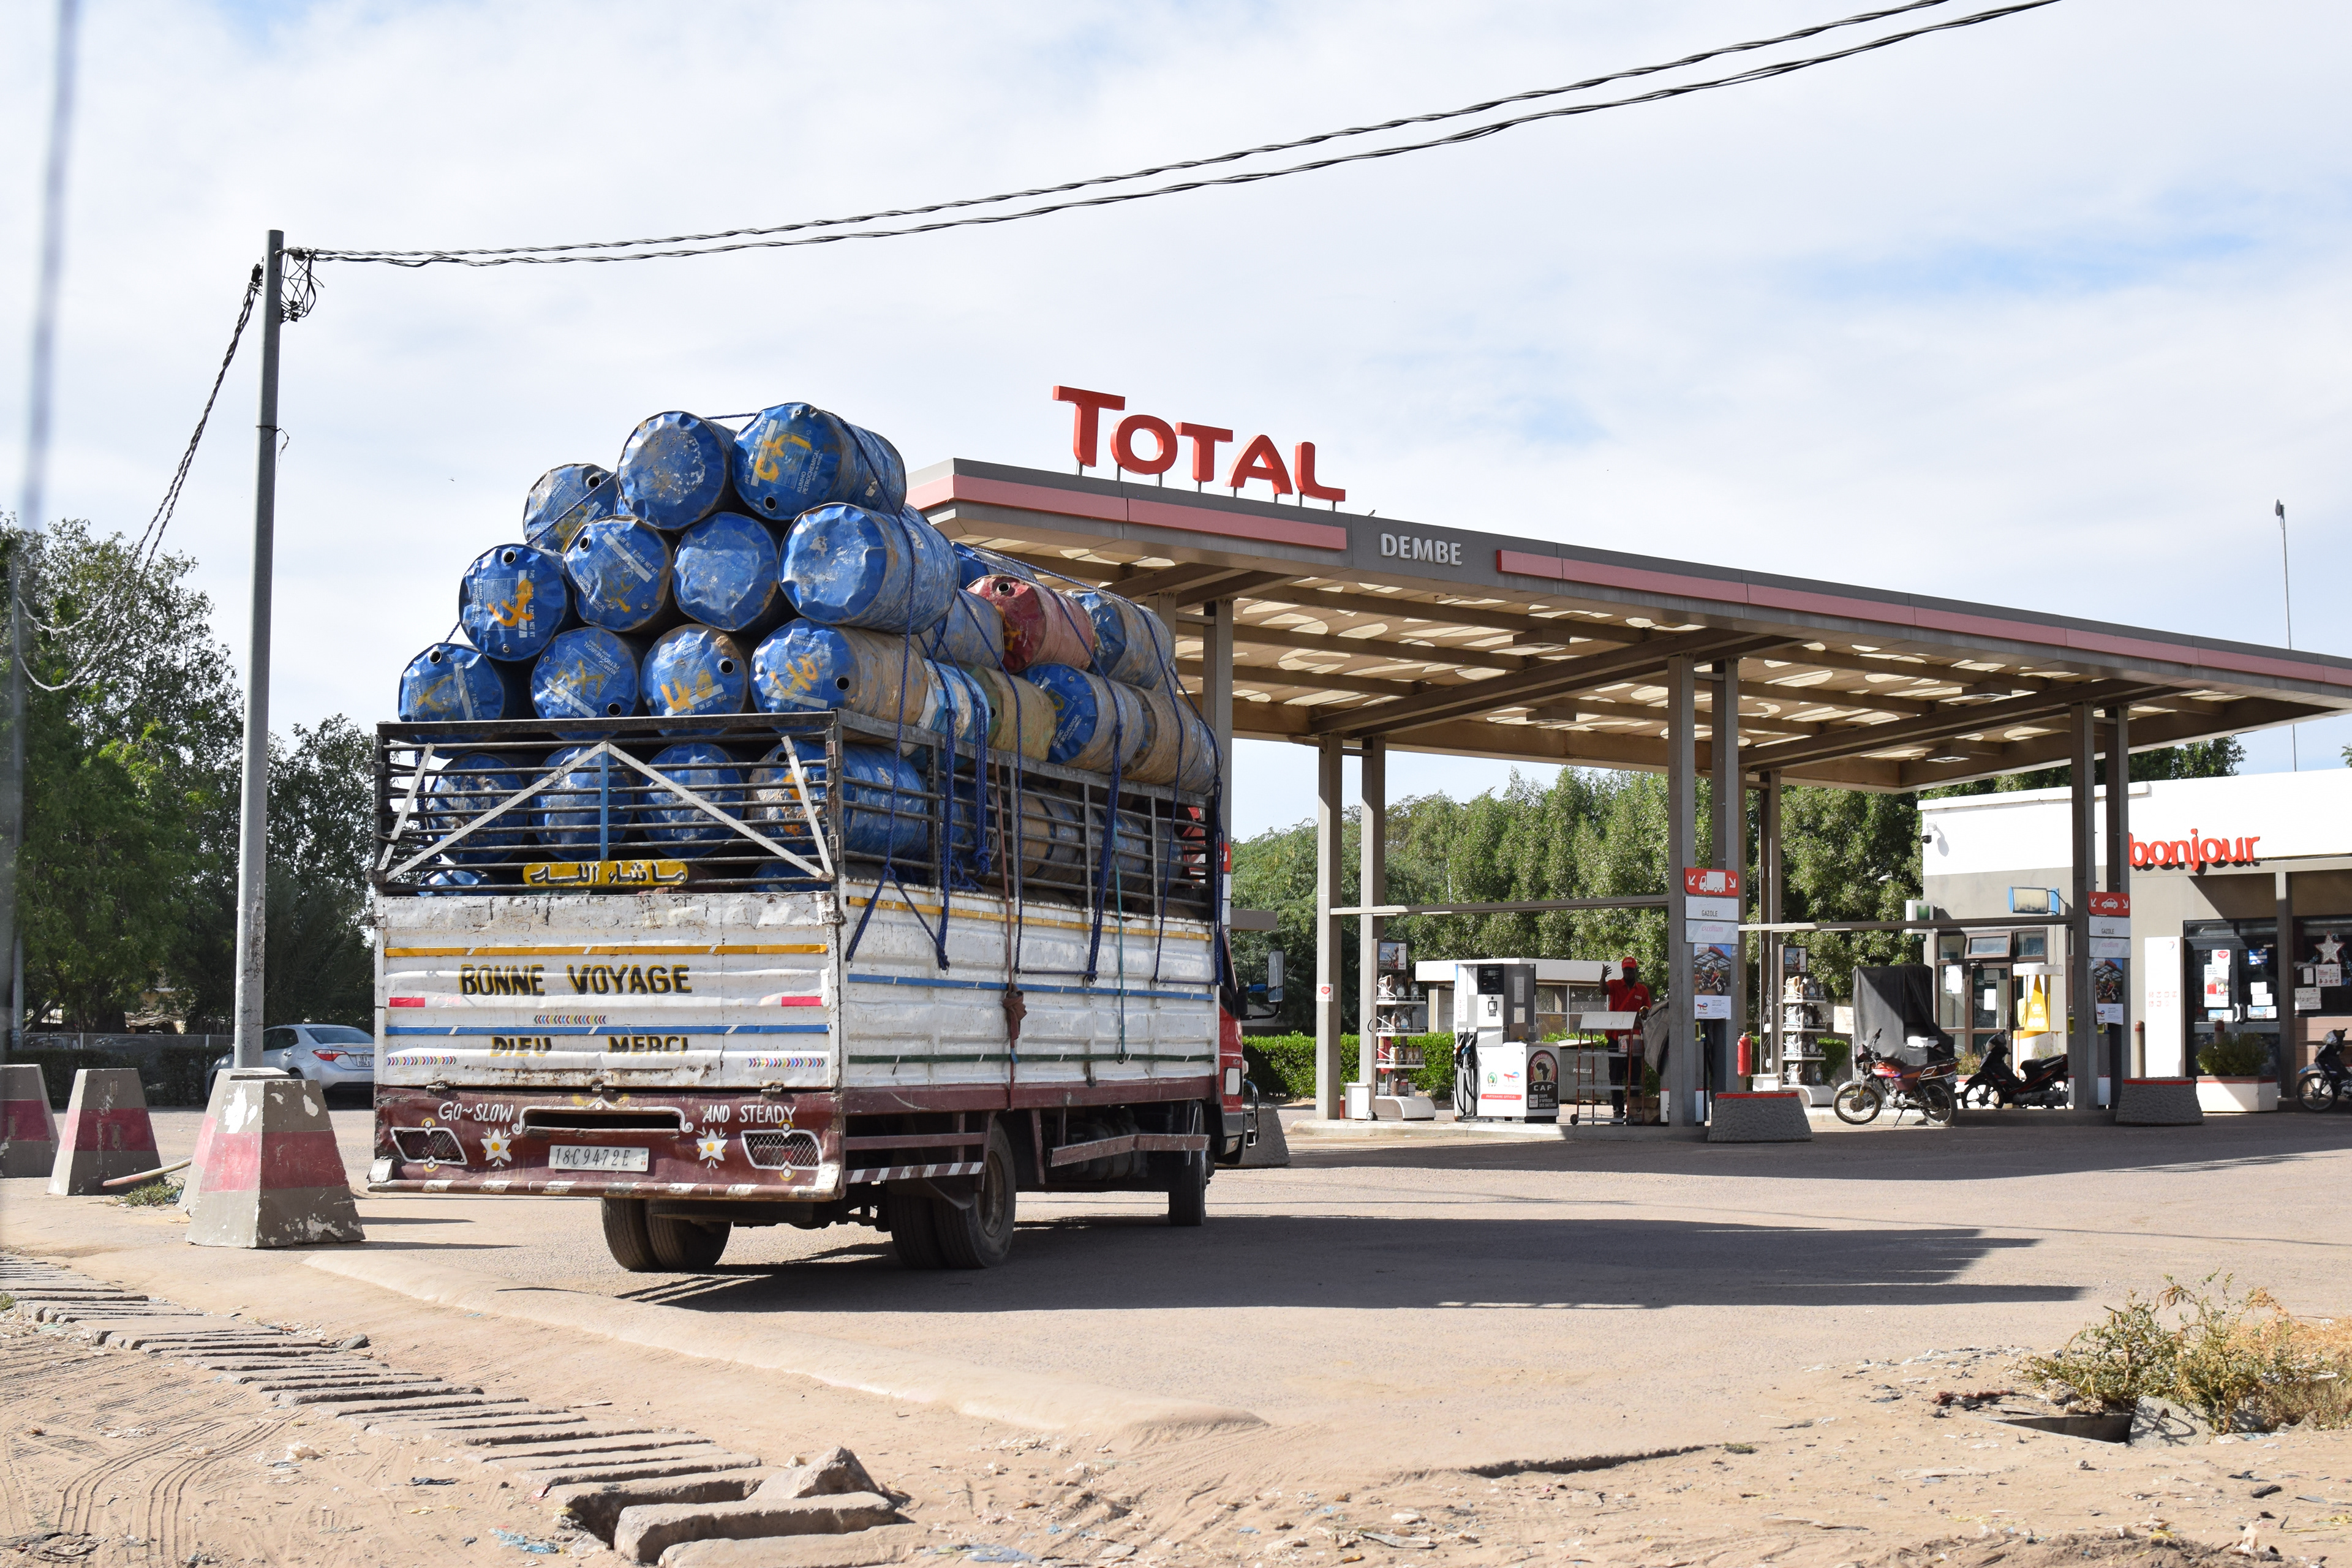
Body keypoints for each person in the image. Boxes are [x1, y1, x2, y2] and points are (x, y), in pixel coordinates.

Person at [1605, 957, 1652, 1120]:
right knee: (1616, 1074)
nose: (1629, 972)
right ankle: (1618, 1110)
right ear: (1623, 970)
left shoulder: (1642, 990)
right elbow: (1604, 990)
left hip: (1634, 1038)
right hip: (1616, 1037)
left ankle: (1634, 1109)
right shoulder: (1615, 984)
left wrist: (1641, 1018)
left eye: (1631, 969)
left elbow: (1647, 1011)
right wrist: (1601, 979)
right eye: (1626, 969)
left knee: (1634, 1074)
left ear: (1635, 970)